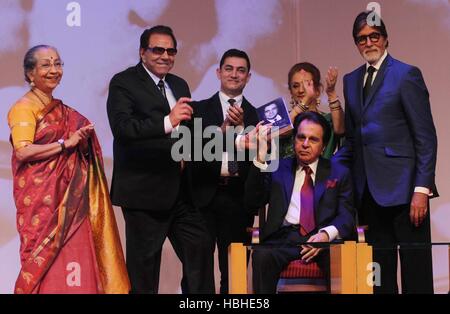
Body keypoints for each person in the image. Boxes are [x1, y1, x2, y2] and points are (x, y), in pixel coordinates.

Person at [7, 45, 130, 294]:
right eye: (46, 65)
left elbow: (74, 146)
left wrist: (82, 141)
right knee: (45, 264)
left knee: (77, 254)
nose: (54, 70)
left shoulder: (65, 112)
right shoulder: (23, 107)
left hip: (70, 201)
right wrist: (65, 144)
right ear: (30, 73)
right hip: (41, 203)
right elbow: (23, 151)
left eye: (58, 64)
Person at [334, 11, 438, 294]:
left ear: (386, 38)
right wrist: (329, 167)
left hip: (406, 192)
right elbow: (354, 139)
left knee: (416, 274)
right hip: (368, 192)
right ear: (356, 44)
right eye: (361, 39)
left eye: (374, 36)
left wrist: (421, 189)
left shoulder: (406, 75)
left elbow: (426, 138)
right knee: (378, 275)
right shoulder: (350, 80)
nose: (368, 43)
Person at [106, 25, 214, 294]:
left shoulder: (179, 84)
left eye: (171, 50)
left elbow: (188, 132)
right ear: (143, 53)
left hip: (180, 191)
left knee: (200, 249)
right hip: (144, 192)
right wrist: (168, 120)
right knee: (144, 271)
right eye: (158, 50)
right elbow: (123, 129)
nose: (165, 55)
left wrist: (229, 138)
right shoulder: (123, 82)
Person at [245, 111, 356, 294]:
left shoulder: (339, 172)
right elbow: (253, 200)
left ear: (323, 146)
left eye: (313, 140)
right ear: (294, 139)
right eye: (301, 137)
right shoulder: (278, 168)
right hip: (283, 239)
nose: (305, 144)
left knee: (342, 258)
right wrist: (259, 159)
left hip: (322, 240)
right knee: (262, 255)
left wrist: (325, 236)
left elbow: (346, 215)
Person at [189, 49, 258, 294]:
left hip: (238, 200)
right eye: (229, 68)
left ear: (248, 77)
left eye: (241, 70)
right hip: (202, 198)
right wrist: (223, 130)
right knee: (198, 273)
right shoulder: (198, 110)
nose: (234, 74)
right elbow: (190, 153)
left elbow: (260, 163)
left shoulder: (257, 116)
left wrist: (242, 132)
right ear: (219, 72)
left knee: (235, 274)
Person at [280, 62, 344, 159]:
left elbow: (340, 130)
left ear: (318, 90)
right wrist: (305, 102)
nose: (301, 90)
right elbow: (282, 132)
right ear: (290, 92)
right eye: (296, 86)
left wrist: (331, 92)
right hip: (286, 173)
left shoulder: (328, 119)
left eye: (307, 84)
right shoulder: (284, 118)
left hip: (321, 173)